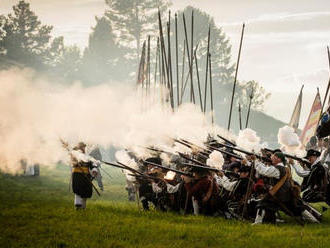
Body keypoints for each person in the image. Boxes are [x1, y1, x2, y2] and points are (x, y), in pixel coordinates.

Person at [252, 152, 316, 224]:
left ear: (278, 159)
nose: (271, 158)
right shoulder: (283, 168)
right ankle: (315, 221)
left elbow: (264, 171)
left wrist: (256, 161)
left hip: (280, 195)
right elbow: (267, 170)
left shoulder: (279, 168)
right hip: (286, 194)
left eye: (273, 157)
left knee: (262, 203)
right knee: (296, 208)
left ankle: (258, 223)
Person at [70, 142, 98, 209]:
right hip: (77, 175)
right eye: (82, 147)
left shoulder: (87, 156)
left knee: (86, 191)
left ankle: (83, 207)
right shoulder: (74, 155)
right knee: (78, 190)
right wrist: (75, 162)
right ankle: (78, 206)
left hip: (86, 175)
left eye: (84, 147)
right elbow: (73, 163)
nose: (83, 148)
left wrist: (94, 169)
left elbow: (92, 164)